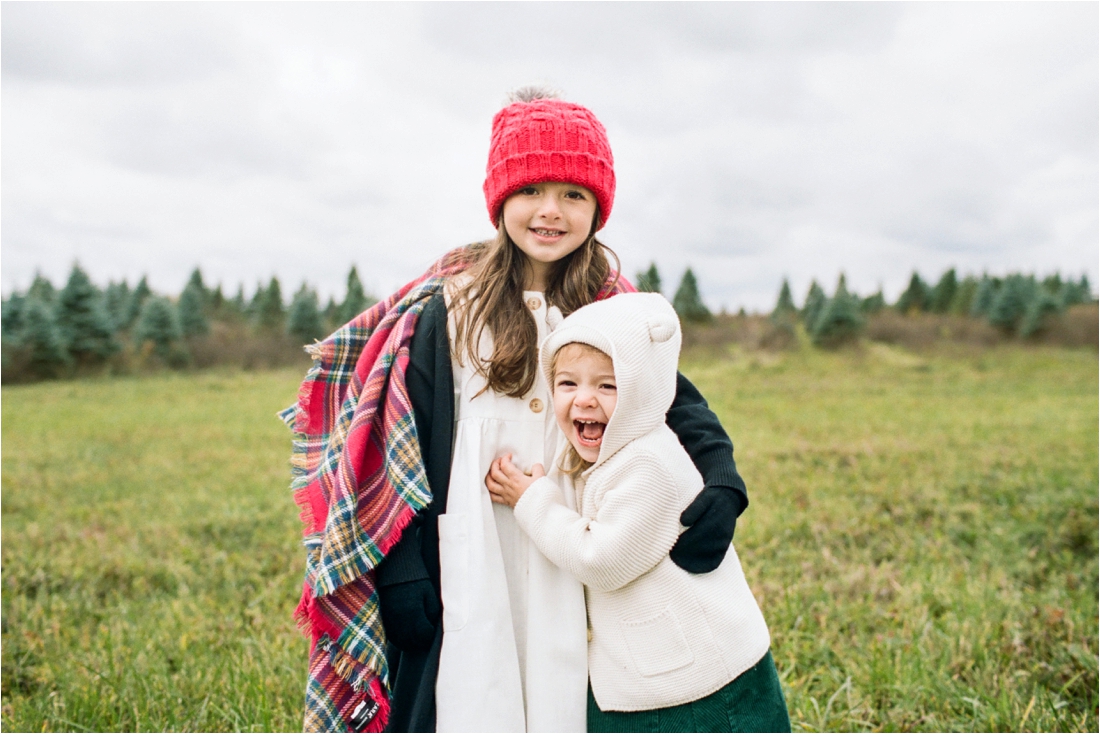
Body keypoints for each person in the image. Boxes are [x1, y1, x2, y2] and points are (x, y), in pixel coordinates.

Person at [283, 88, 751, 733]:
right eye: (532, 191)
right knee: (475, 696)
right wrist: (402, 567)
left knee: (568, 697)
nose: (550, 212)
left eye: (574, 195)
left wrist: (721, 477)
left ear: (598, 208)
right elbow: (402, 446)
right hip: (471, 556)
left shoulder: (613, 309)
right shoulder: (446, 311)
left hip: (573, 541)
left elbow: (681, 404)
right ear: (501, 198)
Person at [486, 292, 790, 733]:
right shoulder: (604, 453)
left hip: (702, 683)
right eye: (568, 384)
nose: (585, 400)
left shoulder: (648, 462)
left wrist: (531, 499)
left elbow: (602, 560)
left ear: (643, 391)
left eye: (607, 386)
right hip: (650, 678)